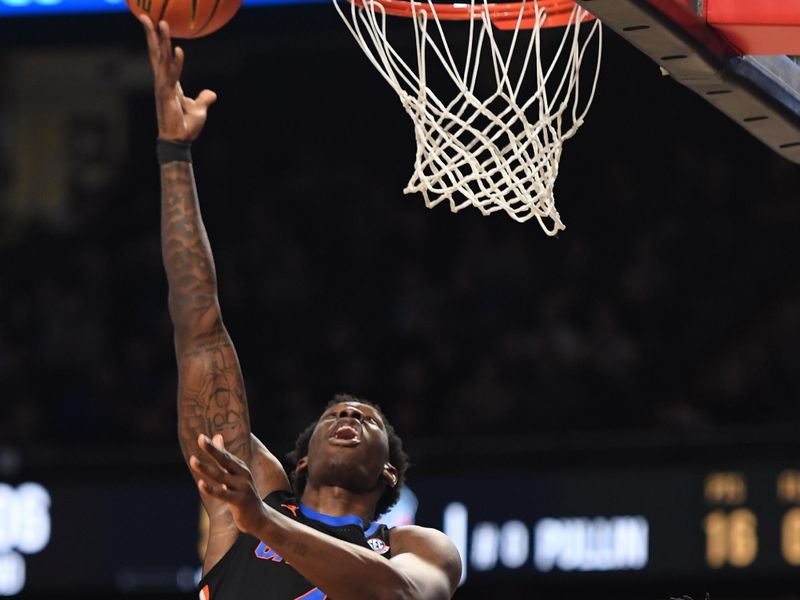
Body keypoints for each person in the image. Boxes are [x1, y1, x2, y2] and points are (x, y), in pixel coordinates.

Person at [139, 15, 462, 600]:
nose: (350, 417)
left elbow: (402, 595)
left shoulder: (416, 548)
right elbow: (200, 331)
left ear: (389, 471)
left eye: (368, 420)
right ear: (303, 461)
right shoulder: (249, 495)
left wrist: (261, 521)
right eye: (338, 414)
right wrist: (173, 154)